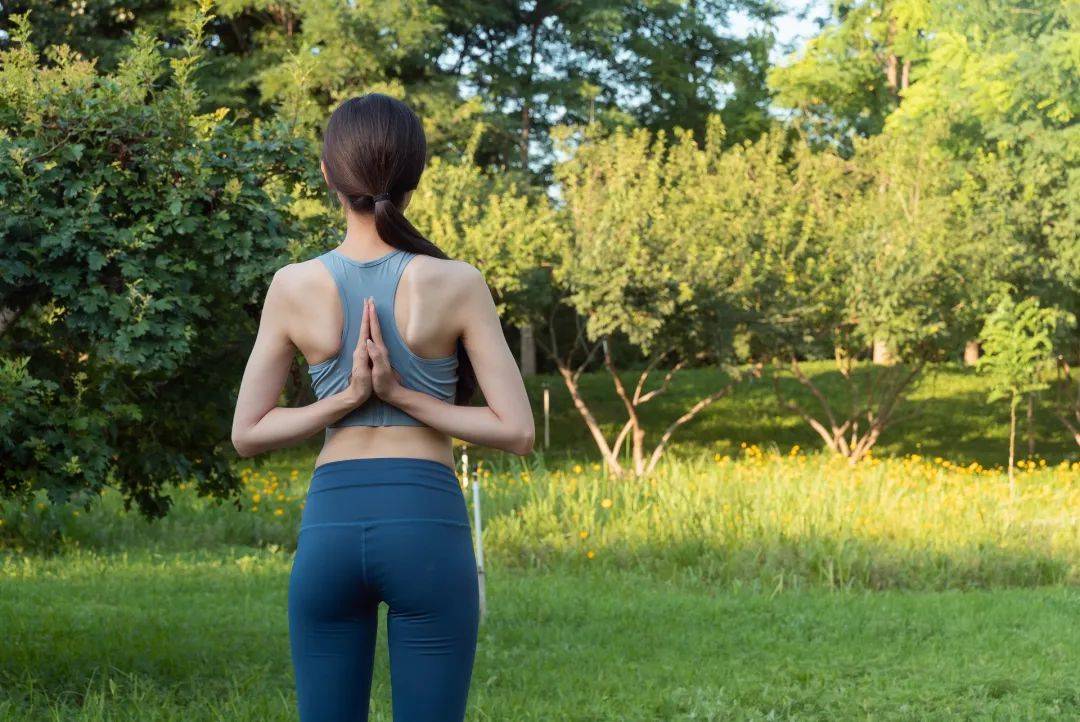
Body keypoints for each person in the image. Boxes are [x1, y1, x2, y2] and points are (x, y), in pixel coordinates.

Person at [230, 93, 535, 722]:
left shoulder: (292, 285)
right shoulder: (457, 282)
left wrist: (346, 398)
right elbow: (517, 430)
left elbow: (248, 433)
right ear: (416, 176)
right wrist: (405, 396)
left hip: (330, 528)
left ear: (327, 174)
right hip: (425, 521)